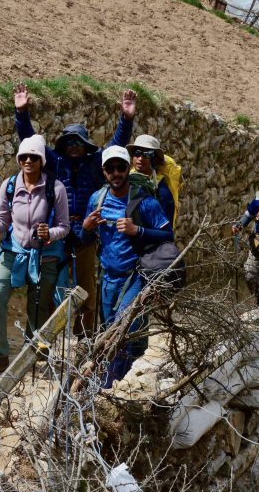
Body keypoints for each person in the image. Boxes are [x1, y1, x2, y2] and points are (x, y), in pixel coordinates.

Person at [14, 84, 135, 338]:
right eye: (68, 141)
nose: (73, 146)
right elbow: (30, 142)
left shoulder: (95, 163)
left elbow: (117, 144)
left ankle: (84, 338)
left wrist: (126, 118)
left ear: (85, 144)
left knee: (86, 287)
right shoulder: (55, 163)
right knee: (49, 286)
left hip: (86, 233)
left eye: (77, 141)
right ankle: (46, 337)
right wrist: (22, 113)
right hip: (58, 233)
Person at [0, 135, 70, 376]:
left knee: (38, 307)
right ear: (18, 159)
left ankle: (32, 354)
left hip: (44, 255)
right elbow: (2, 222)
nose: (28, 160)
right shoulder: (10, 185)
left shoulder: (55, 188)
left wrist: (50, 233)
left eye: (34, 157)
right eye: (23, 156)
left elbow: (64, 226)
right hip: (13, 251)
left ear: (41, 160)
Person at [81, 146, 172, 388]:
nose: (116, 173)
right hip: (107, 279)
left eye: (121, 167)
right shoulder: (96, 200)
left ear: (127, 169)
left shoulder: (144, 201)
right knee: (117, 331)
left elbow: (167, 235)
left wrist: (137, 230)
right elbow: (85, 239)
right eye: (111, 168)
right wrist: (86, 227)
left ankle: (109, 386)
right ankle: (127, 382)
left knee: (120, 331)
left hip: (135, 277)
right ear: (104, 172)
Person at [127, 135, 181, 225]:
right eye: (137, 153)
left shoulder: (162, 192)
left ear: (154, 159)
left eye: (146, 155)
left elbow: (165, 231)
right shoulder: (125, 180)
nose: (140, 158)